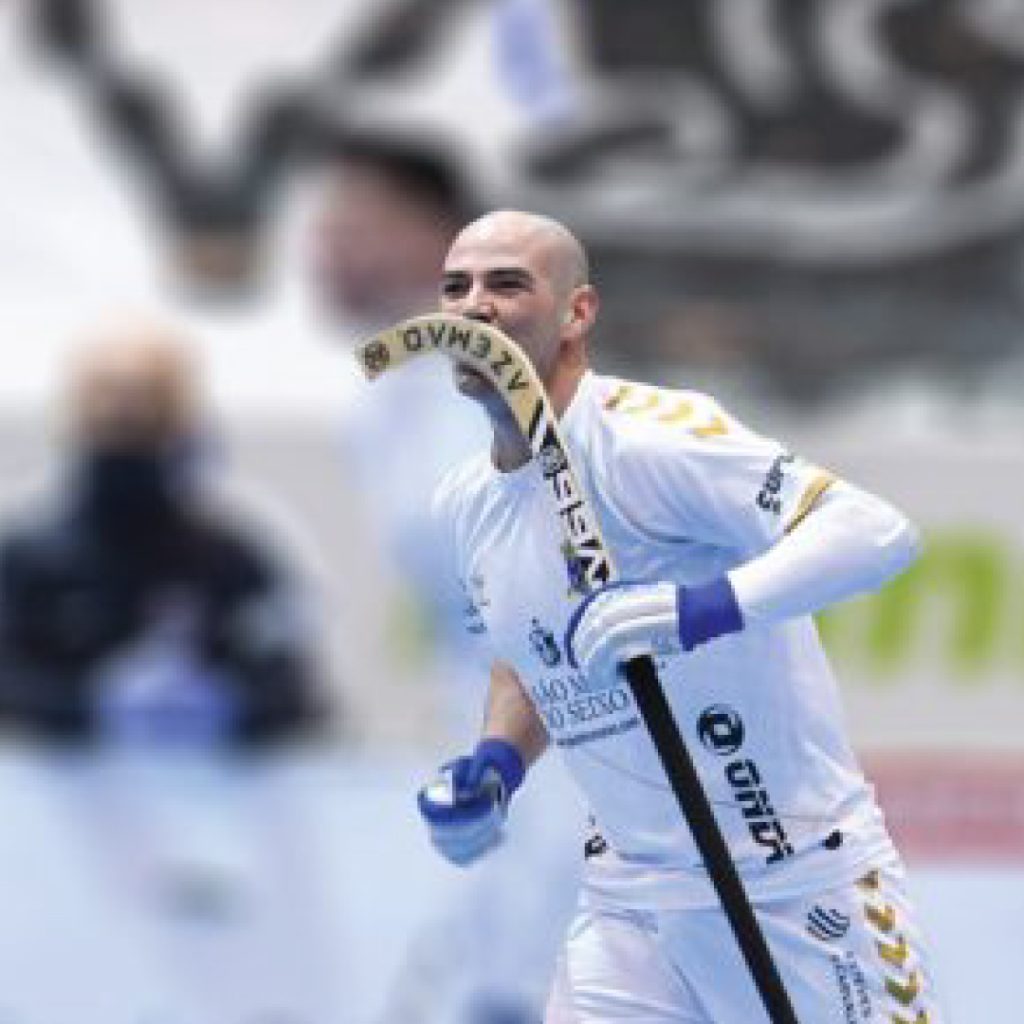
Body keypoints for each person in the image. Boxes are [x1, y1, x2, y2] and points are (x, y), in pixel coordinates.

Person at [417, 210, 945, 1022]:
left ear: (577, 312)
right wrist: (496, 765)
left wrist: (696, 610)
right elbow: (527, 661)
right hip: (629, 906)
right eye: (456, 287)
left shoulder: (648, 439)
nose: (474, 305)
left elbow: (876, 533)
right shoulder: (463, 502)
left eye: (507, 284)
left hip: (796, 887)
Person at [0, 322, 326, 748]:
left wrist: (230, 706)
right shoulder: (27, 561)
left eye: (146, 421)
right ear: (75, 422)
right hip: (57, 781)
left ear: (182, 424)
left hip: (201, 783)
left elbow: (291, 686)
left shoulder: (230, 559)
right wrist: (86, 707)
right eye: (110, 420)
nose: (125, 422)